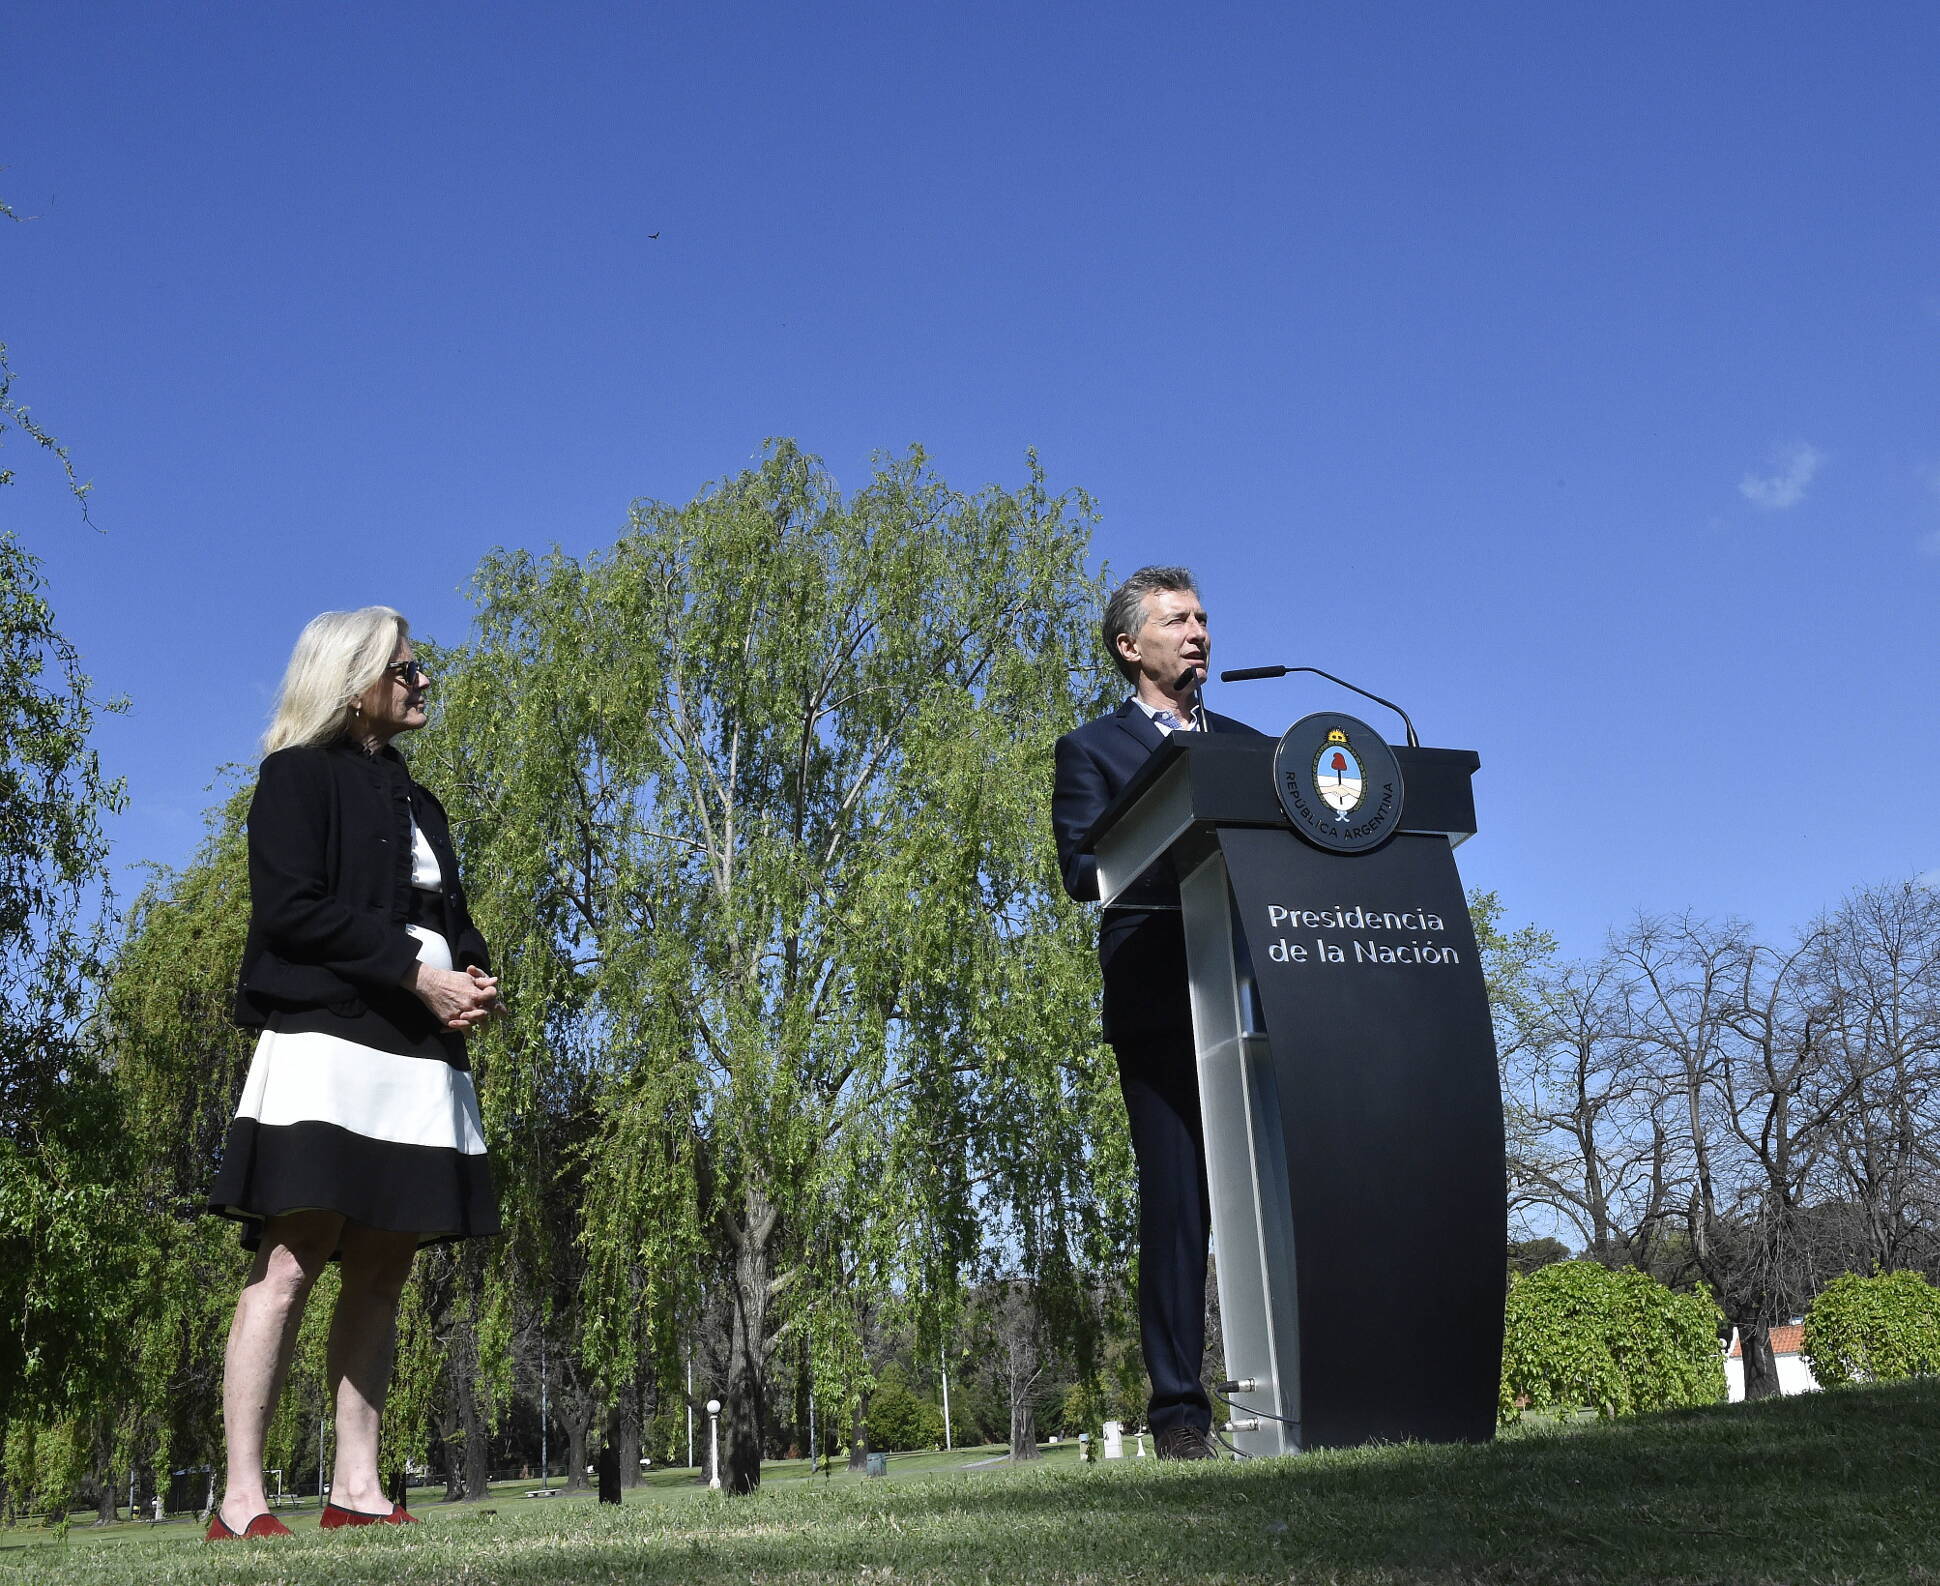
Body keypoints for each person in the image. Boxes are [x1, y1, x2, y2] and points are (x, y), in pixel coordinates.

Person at [204, 607, 502, 1539]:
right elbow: (292, 912)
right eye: (404, 668)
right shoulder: (295, 778)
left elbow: (444, 912)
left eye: (419, 666)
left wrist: (473, 975)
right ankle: (241, 1499)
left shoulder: (420, 799)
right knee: (291, 1258)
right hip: (329, 1035)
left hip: (417, 1042)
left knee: (385, 1263)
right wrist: (416, 973)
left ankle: (356, 1490)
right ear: (352, 681)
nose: (421, 681)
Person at [1050, 567, 1265, 1460]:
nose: (1199, 632)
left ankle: (1309, 1381)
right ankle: (1180, 1413)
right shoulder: (1091, 750)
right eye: (1177, 620)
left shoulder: (1258, 747)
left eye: (1204, 617)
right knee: (1180, 1208)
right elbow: (1080, 871)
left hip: (1258, 996)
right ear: (1129, 647)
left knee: (1277, 1191)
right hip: (1161, 1001)